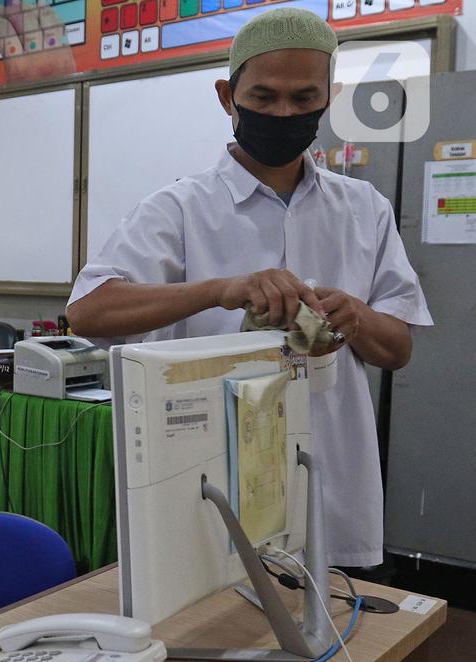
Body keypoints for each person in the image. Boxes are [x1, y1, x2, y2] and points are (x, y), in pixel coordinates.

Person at [65, 8, 431, 568]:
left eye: (304, 99)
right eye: (264, 98)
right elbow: (89, 312)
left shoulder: (364, 210)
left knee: (329, 627)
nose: (284, 112)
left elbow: (398, 349)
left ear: (328, 97)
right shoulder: (181, 207)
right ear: (226, 95)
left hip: (327, 460)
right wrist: (218, 289)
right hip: (208, 458)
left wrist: (356, 317)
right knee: (207, 604)